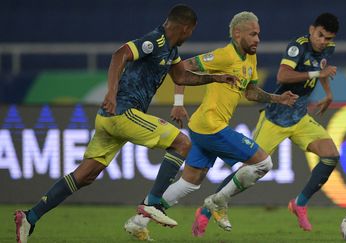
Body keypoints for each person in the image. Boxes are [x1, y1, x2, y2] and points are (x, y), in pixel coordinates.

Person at [14, 4, 239, 243]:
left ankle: (30, 216)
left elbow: (182, 76)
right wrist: (111, 93)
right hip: (122, 112)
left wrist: (216, 77)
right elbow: (119, 54)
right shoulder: (155, 41)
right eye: (191, 31)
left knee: (85, 175)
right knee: (182, 143)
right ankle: (152, 203)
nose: (191, 36)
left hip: (111, 118)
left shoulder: (171, 51)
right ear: (185, 27)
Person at [123, 11, 299, 240]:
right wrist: (178, 103)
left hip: (202, 126)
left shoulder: (250, 58)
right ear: (237, 34)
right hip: (210, 126)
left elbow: (250, 91)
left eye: (259, 35)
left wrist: (278, 99)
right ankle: (218, 201)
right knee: (264, 162)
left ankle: (138, 221)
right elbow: (182, 67)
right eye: (253, 34)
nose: (257, 39)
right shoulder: (223, 56)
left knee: (189, 182)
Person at [191, 12, 340, 235]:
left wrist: (327, 93)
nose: (323, 41)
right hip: (275, 118)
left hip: (299, 117)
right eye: (320, 35)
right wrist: (318, 72)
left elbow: (323, 68)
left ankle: (299, 203)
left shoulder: (327, 49)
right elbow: (283, 76)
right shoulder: (297, 47)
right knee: (248, 170)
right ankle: (205, 211)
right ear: (311, 30)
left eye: (328, 38)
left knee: (331, 156)